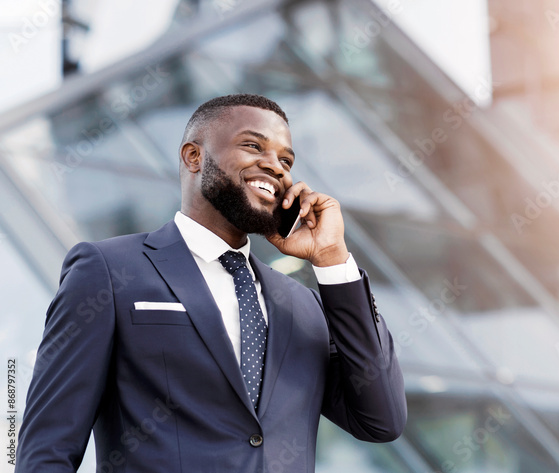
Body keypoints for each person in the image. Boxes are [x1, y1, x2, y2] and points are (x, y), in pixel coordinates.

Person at [16, 94, 406, 472]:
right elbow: (48, 448)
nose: (276, 166)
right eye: (253, 146)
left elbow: (381, 419)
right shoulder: (108, 269)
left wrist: (333, 260)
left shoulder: (302, 304)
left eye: (286, 160)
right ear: (194, 156)